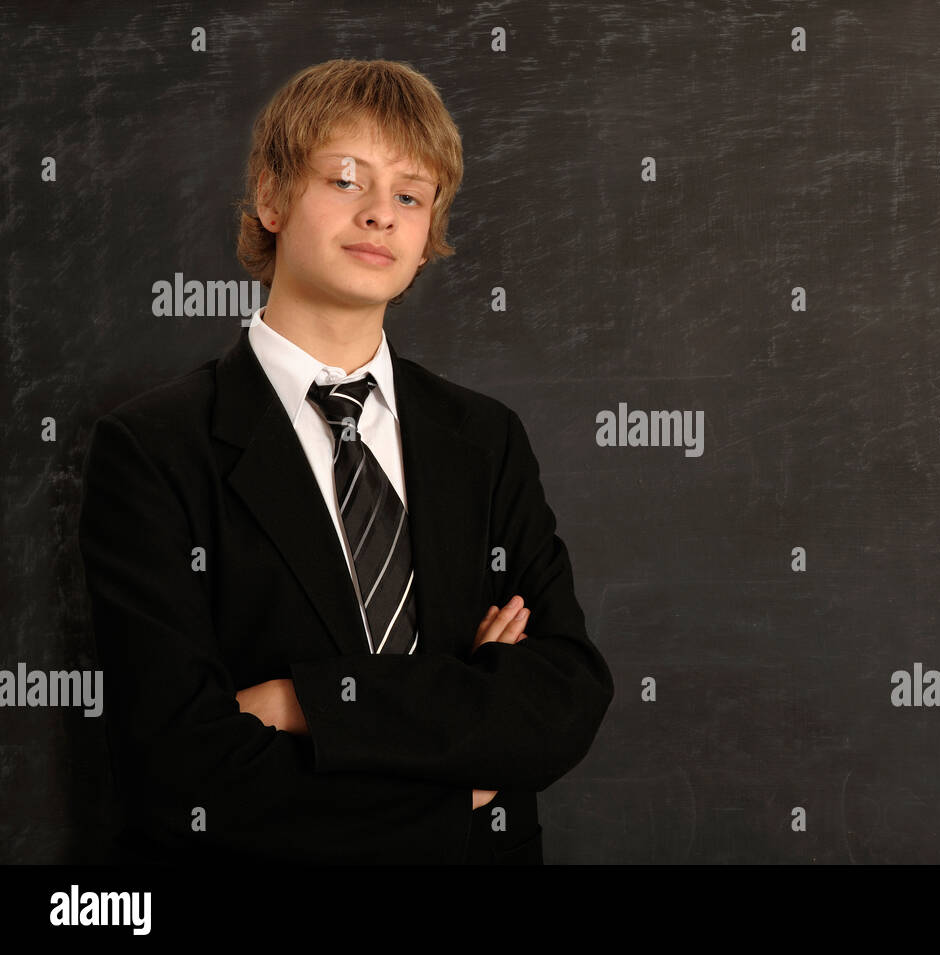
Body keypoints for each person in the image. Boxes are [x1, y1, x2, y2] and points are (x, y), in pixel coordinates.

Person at [77, 58, 614, 864]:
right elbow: (180, 766)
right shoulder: (153, 448)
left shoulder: (486, 437)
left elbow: (562, 696)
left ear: (429, 236)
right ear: (271, 198)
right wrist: (451, 775)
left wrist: (305, 702)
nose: (379, 215)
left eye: (408, 194)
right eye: (345, 180)